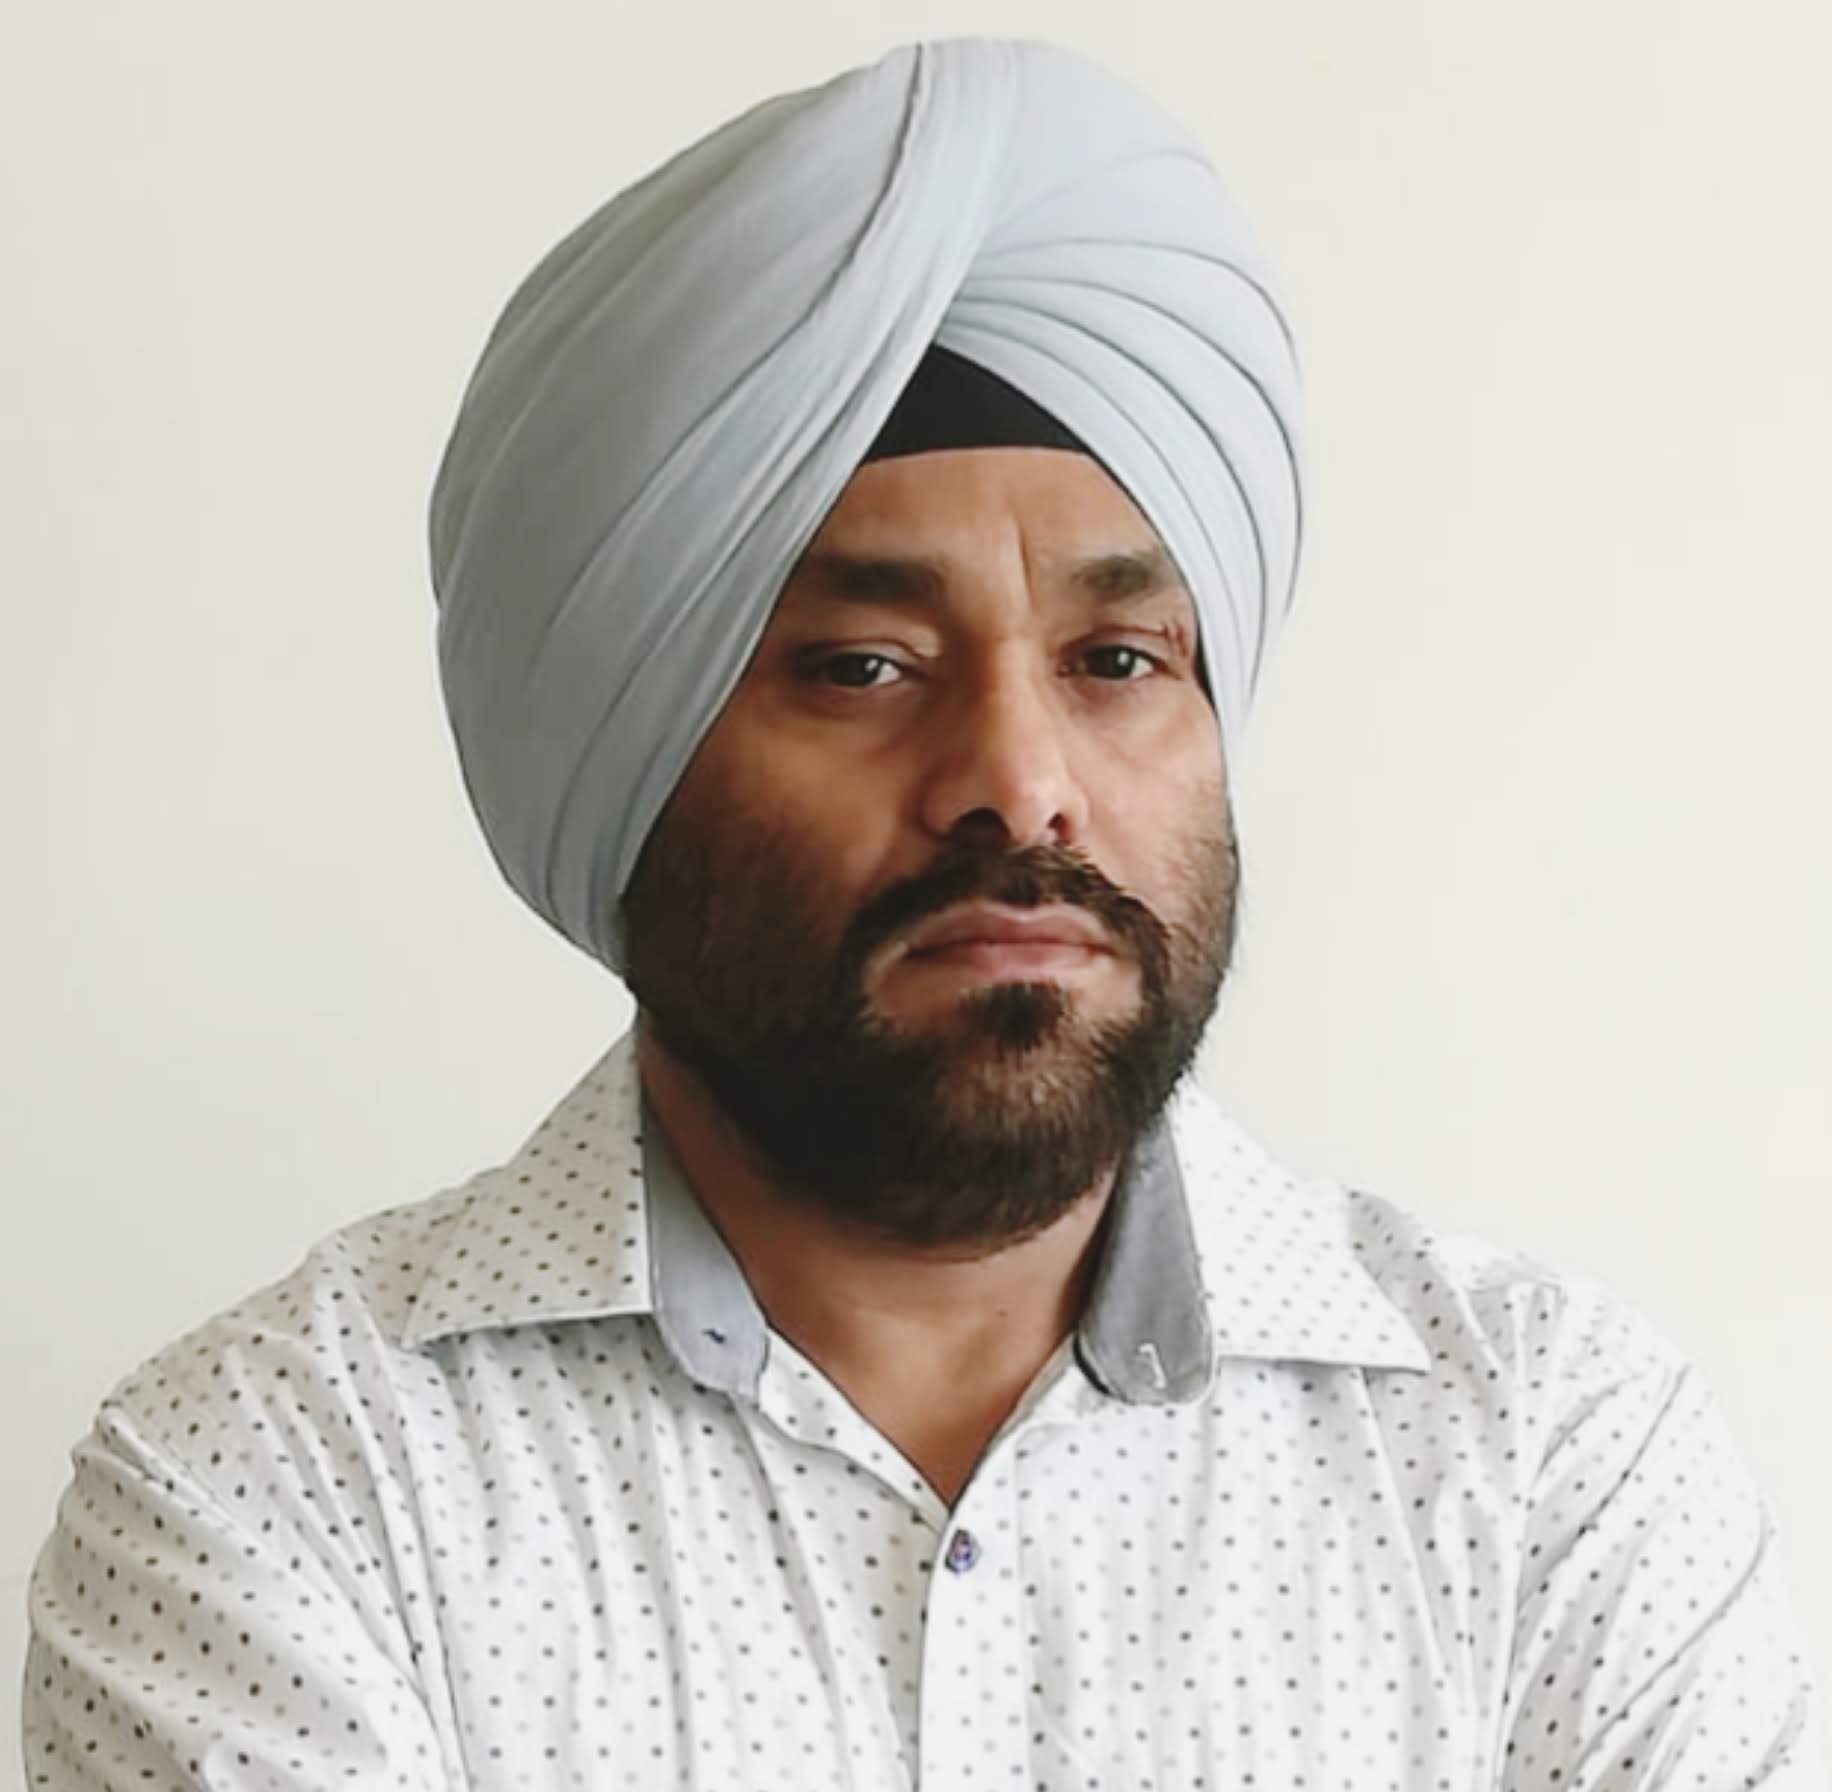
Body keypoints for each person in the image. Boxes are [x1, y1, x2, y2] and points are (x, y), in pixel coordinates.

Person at [22, 37, 1824, 1792]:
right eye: (865, 666)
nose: (1021, 784)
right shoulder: (280, 1485)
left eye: (1118, 661)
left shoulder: (1546, 1457)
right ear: (627, 754)